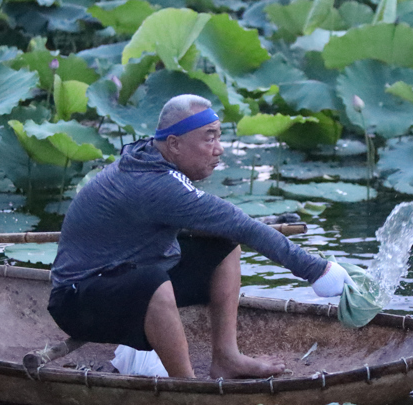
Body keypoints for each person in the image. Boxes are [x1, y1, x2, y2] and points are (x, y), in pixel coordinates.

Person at [48, 94, 353, 379]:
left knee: (222, 245)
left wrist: (265, 223)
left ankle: (227, 358)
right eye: (209, 138)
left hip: (121, 277)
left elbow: (229, 227)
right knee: (153, 280)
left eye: (218, 136)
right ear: (174, 144)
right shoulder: (154, 185)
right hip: (79, 304)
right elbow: (241, 224)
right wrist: (316, 270)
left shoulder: (150, 155)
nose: (219, 148)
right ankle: (186, 384)